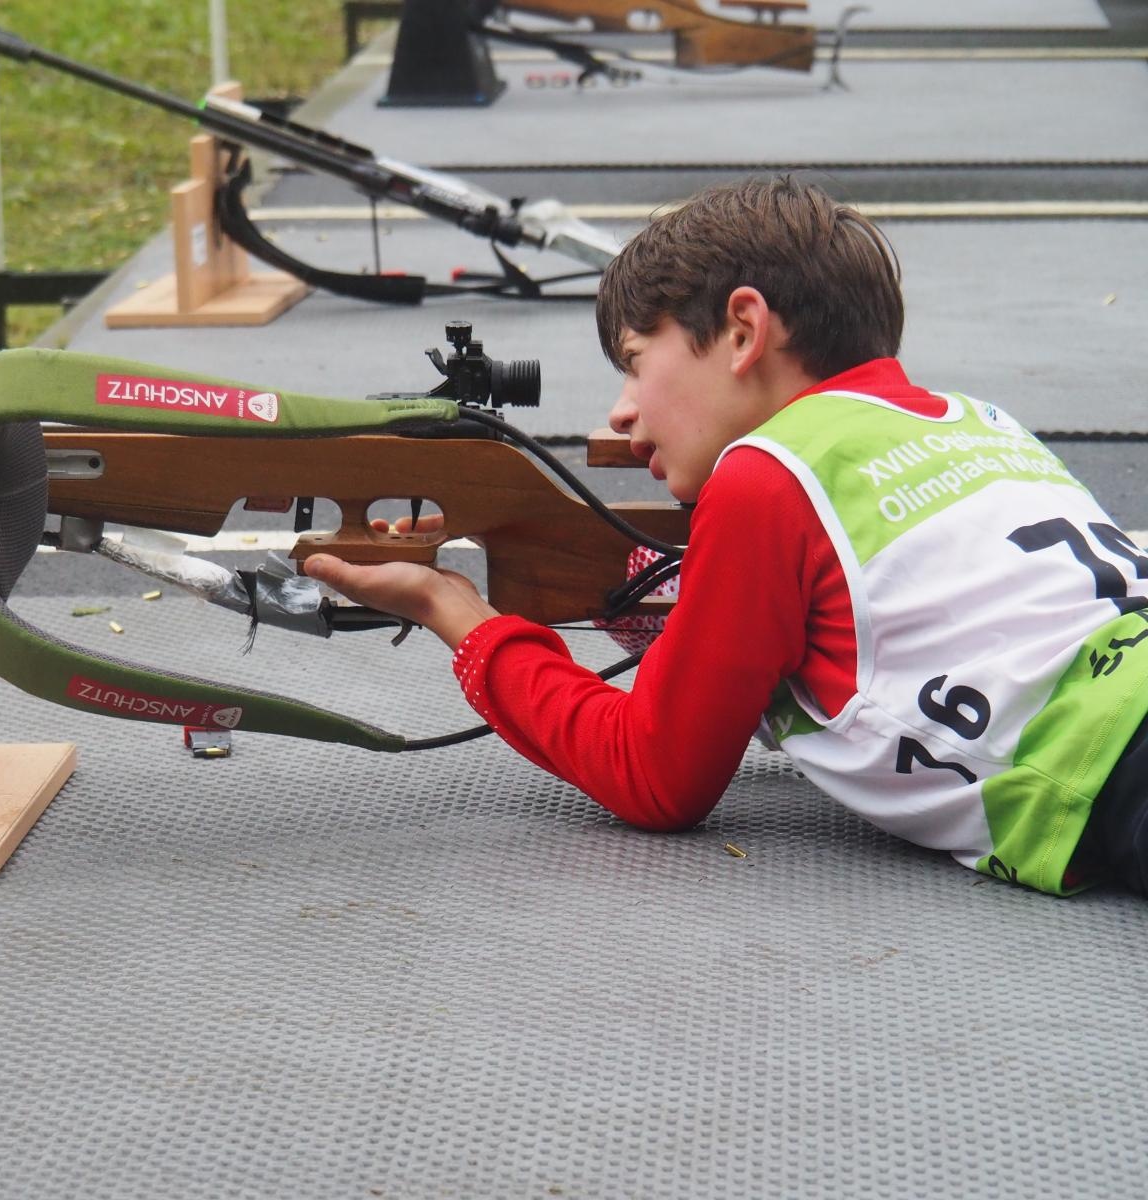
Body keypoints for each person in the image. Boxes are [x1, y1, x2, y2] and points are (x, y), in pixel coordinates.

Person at [302, 176, 1148, 897]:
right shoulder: (976, 420)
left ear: (743, 331)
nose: (622, 411)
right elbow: (833, 611)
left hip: (1117, 758)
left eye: (636, 360)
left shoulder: (765, 473)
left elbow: (655, 775)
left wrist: (464, 620)